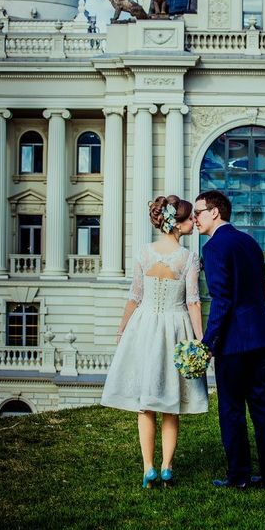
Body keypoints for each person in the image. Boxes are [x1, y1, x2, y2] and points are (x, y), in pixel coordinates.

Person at [101, 195, 208, 489]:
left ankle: (148, 467)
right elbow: (193, 301)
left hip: (144, 326)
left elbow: (134, 296)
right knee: (170, 404)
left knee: (145, 404)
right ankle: (166, 467)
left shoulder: (144, 252)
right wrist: (200, 339)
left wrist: (122, 330)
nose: (194, 222)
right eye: (190, 218)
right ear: (178, 223)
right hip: (175, 327)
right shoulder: (188, 258)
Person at [194, 189, 265, 490]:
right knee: (261, 403)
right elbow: (262, 290)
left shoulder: (214, 247)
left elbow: (222, 300)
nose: (195, 218)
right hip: (261, 333)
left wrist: (208, 343)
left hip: (234, 341)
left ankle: (239, 476)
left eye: (198, 212)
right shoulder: (250, 242)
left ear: (214, 212)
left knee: (231, 408)